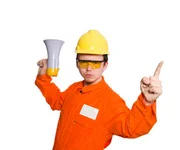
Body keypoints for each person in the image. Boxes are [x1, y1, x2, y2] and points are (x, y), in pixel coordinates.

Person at [35, 30, 164, 149]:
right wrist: (43, 77)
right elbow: (57, 101)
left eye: (95, 63)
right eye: (84, 62)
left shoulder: (110, 101)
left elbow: (130, 128)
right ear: (76, 63)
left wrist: (147, 103)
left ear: (105, 65)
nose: (89, 68)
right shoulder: (74, 89)